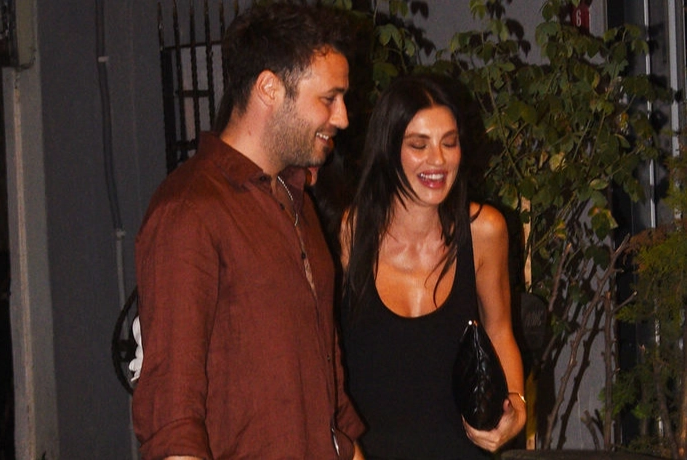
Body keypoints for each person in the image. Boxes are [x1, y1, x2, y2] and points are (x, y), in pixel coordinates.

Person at [132, 3, 365, 459]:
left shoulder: (296, 202)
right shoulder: (191, 209)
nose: (342, 117)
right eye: (328, 98)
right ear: (269, 88)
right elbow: (173, 415)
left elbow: (331, 404)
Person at [339, 74, 526, 459]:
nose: (438, 160)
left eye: (449, 143)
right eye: (418, 145)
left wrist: (516, 405)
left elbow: (500, 329)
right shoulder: (350, 233)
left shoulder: (484, 230)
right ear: (389, 150)